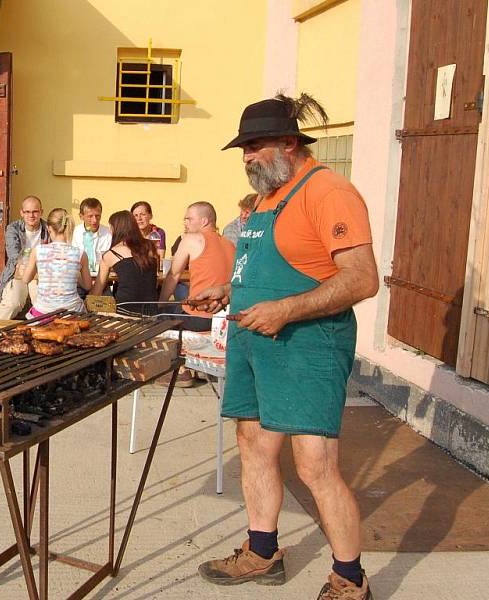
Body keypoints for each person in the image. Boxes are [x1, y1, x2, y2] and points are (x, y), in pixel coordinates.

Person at [191, 94, 379, 600]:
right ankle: (262, 550)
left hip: (308, 344)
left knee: (315, 466)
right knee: (252, 446)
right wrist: (229, 290)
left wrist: (285, 311)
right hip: (255, 343)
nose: (247, 157)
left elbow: (362, 280)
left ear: (289, 143)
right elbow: (278, 267)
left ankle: (349, 578)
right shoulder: (267, 199)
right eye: (243, 149)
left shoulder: (329, 192)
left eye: (255, 146)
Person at [158, 201, 235, 332]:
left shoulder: (191, 239)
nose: (185, 223)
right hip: (225, 318)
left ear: (204, 221)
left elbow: (174, 275)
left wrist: (160, 304)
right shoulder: (230, 244)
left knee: (154, 316)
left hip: (198, 316)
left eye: (189, 219)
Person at [0, 195, 51, 326]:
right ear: (22, 213)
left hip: (39, 275)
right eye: (27, 212)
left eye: (35, 211)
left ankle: (41, 332)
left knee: (39, 297)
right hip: (17, 274)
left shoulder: (48, 229)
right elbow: (14, 256)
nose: (31, 215)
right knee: (13, 302)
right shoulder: (13, 229)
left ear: (41, 212)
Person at [23, 208, 91, 316]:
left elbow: (26, 279)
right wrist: (75, 275)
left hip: (43, 313)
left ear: (49, 229)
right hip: (72, 314)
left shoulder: (38, 251)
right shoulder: (81, 254)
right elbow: (87, 286)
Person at [90, 210, 158, 315]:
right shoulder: (150, 247)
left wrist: (86, 302)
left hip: (124, 312)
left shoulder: (111, 254)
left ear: (116, 229)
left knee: (103, 293)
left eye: (111, 227)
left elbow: (97, 291)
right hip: (152, 312)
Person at [72, 197, 112, 280]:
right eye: (90, 216)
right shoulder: (74, 233)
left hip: (102, 279)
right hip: (79, 279)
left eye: (97, 216)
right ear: (81, 216)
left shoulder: (109, 234)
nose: (94, 220)